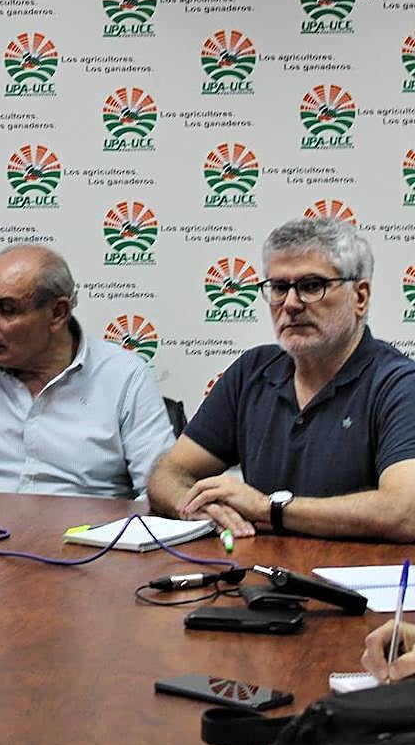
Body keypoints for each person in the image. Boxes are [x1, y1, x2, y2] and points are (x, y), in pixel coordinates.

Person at [147, 216, 415, 541]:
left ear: (360, 297)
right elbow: (167, 473)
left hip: (355, 584)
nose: (290, 304)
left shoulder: (399, 384)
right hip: (261, 579)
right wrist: (192, 506)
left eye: (312, 286)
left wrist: (267, 508)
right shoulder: (252, 370)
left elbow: (405, 512)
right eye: (278, 287)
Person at [0, 244, 176, 498]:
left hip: (86, 541)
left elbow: (156, 491)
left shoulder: (125, 376)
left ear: (58, 313)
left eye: (6, 309)